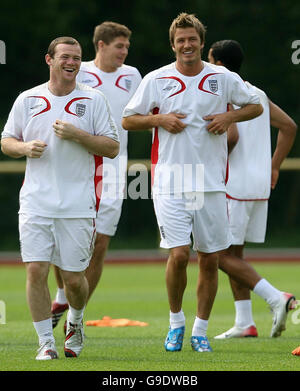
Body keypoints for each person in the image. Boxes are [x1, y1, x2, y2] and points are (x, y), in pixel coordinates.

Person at [122, 13, 264, 353]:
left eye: (193, 39)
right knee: (180, 254)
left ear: (201, 42)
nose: (187, 45)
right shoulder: (157, 79)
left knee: (211, 258)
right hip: (170, 180)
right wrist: (160, 119)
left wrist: (230, 115)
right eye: (181, 40)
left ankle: (200, 330)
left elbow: (256, 106)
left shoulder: (222, 77)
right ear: (173, 45)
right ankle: (175, 325)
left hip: (212, 182)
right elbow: (128, 119)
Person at [1, 37, 119, 360]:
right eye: (66, 57)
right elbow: (6, 141)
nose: (72, 62)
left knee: (73, 279)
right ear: (49, 60)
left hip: (79, 204)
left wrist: (77, 134)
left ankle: (76, 321)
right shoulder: (28, 99)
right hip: (36, 203)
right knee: (35, 270)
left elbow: (112, 147)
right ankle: (45, 343)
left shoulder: (93, 100)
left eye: (77, 58)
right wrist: (25, 148)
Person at [50, 22, 142, 330]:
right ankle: (63, 293)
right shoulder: (79, 71)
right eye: (119, 46)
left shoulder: (133, 76)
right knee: (60, 234)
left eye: (127, 47)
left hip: (114, 166)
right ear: (100, 46)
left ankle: (75, 317)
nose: (124, 52)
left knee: (100, 241)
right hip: (77, 163)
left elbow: (139, 115)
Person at [206, 39, 297, 339]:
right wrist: (273, 166)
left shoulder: (223, 90)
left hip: (233, 184)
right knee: (235, 253)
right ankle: (244, 322)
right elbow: (289, 127)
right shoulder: (256, 92)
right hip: (258, 185)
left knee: (215, 254)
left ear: (217, 63)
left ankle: (277, 298)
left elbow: (230, 137)